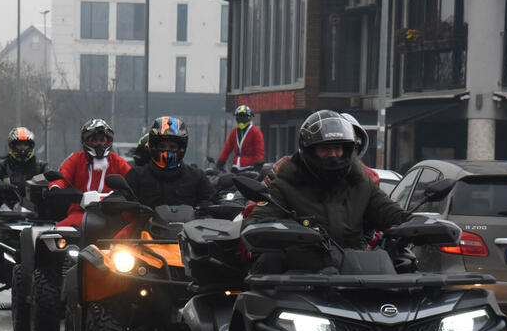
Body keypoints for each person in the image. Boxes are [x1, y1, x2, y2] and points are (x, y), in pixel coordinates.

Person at [245, 110, 407, 251]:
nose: (333, 155)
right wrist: (288, 234)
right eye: (325, 149)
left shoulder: (362, 184)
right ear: (309, 151)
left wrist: (415, 223)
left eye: (337, 148)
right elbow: (256, 222)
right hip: (301, 276)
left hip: (354, 273)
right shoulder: (285, 186)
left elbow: (390, 212)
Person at [49, 118, 131, 227]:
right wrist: (55, 187)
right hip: (80, 213)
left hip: (114, 215)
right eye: (94, 140)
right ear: (86, 141)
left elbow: (132, 180)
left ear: (108, 141)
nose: (99, 144)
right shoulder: (76, 159)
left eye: (102, 140)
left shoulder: (117, 162)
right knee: (56, 233)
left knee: (133, 236)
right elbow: (62, 176)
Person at [125, 116, 213, 210]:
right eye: (162, 146)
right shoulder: (136, 176)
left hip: (186, 224)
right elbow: (121, 197)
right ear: (153, 146)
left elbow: (211, 201)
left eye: (172, 147)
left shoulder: (197, 177)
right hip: (144, 224)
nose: (167, 150)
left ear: (182, 148)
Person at [217, 105, 265, 171]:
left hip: (250, 166)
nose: (240, 119)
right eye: (239, 116)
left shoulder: (255, 132)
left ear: (248, 117)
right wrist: (221, 161)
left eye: (243, 116)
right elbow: (227, 148)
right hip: (236, 166)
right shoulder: (234, 132)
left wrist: (258, 163)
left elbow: (259, 150)